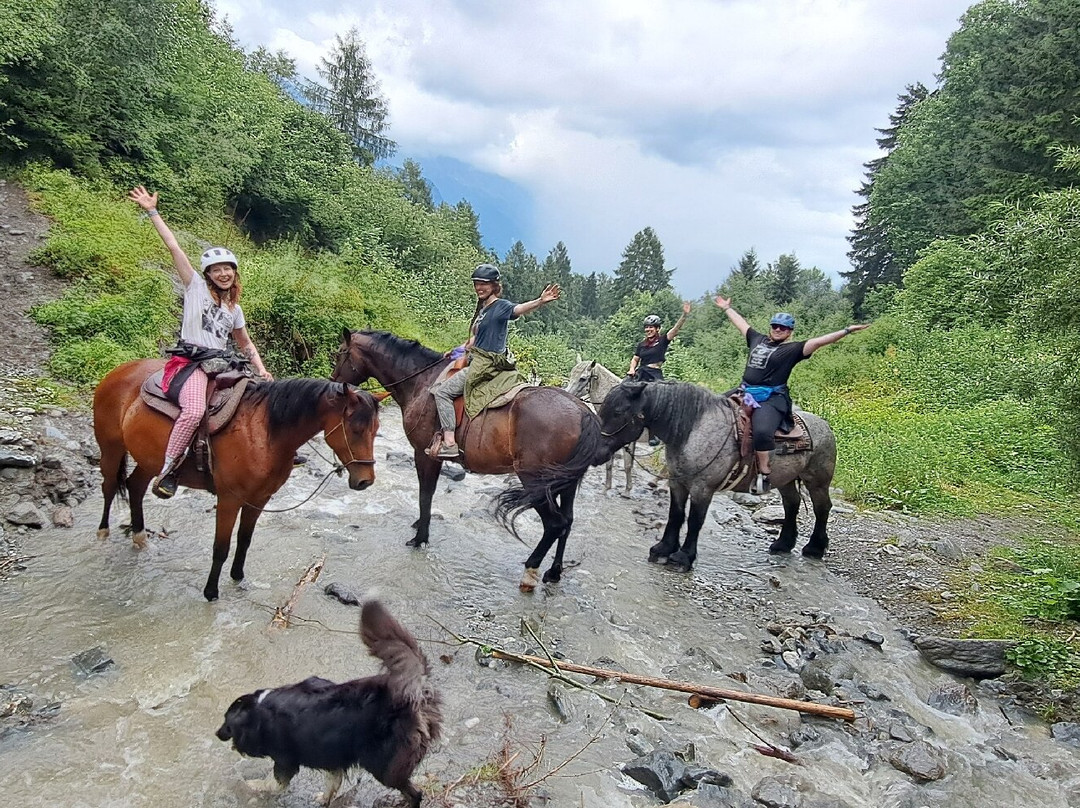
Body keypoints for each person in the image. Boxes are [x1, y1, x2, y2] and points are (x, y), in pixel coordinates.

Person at [128, 186, 272, 499]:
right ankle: (168, 470)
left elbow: (245, 343)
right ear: (207, 274)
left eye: (228, 269)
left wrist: (261, 369)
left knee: (261, 401)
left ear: (235, 273)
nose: (223, 274)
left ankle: (266, 451)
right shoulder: (195, 288)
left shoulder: (234, 309)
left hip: (221, 363)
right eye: (217, 270)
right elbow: (173, 246)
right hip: (191, 364)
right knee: (193, 411)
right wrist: (152, 211)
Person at [715, 295, 868, 494]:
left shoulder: (793, 349)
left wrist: (846, 330)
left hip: (772, 398)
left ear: (790, 332)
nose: (778, 329)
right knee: (711, 407)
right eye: (775, 326)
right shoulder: (757, 339)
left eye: (784, 328)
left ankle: (763, 474)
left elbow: (820, 341)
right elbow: (741, 324)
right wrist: (727, 308)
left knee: (761, 431)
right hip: (743, 390)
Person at [431, 264, 560, 459]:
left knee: (442, 392)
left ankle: (449, 442)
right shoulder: (484, 309)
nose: (479, 288)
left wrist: (540, 301)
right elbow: (477, 338)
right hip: (477, 356)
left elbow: (517, 309)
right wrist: (457, 351)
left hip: (485, 363)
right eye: (476, 284)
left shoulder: (500, 306)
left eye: (484, 284)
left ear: (494, 285)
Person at [626, 301, 691, 382]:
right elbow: (635, 359)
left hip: (655, 374)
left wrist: (684, 315)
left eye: (651, 327)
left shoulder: (663, 340)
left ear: (657, 329)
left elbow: (675, 329)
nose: (648, 330)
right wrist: (632, 369)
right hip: (641, 373)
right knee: (624, 388)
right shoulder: (642, 344)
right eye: (646, 327)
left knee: (662, 393)